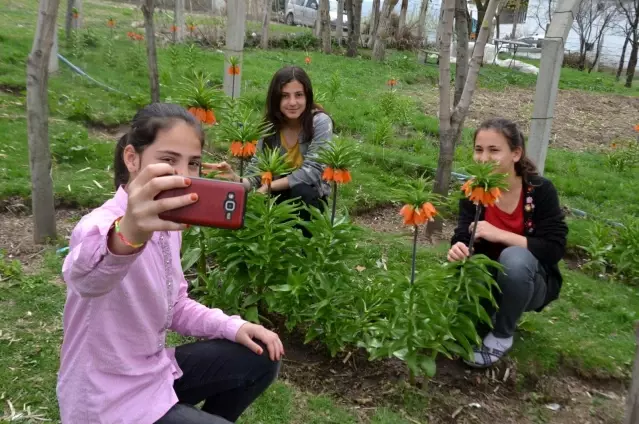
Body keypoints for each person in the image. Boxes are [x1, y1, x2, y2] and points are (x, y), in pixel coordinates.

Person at [57, 103, 284, 424]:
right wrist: (129, 234)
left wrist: (235, 326)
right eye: (167, 160)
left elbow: (174, 305)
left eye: (193, 163)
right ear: (132, 158)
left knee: (260, 356)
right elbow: (85, 278)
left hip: (151, 373)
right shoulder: (100, 225)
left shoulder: (169, 227)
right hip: (104, 398)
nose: (183, 175)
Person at [448, 118, 568, 368]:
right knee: (470, 270)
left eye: (494, 151)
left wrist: (499, 234)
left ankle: (502, 335)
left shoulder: (539, 190)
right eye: (479, 150)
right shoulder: (473, 188)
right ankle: (480, 319)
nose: (483, 158)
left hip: (531, 283)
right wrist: (459, 246)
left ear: (516, 153)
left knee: (514, 258)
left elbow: (553, 248)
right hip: (487, 278)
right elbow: (463, 231)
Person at [204, 66, 333, 221]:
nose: (292, 102)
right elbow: (257, 173)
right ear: (276, 98)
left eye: (298, 95)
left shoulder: (319, 122)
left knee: (301, 191)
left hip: (309, 200)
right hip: (276, 196)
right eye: (285, 96)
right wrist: (236, 179)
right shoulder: (269, 127)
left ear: (307, 97)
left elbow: (313, 170)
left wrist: (268, 187)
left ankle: (305, 244)